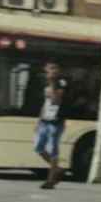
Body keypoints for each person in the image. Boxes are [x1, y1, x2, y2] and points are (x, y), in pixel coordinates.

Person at [34, 61, 69, 189]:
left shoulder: (61, 83)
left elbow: (55, 101)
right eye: (48, 70)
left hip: (56, 122)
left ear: (58, 71)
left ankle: (50, 180)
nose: (49, 72)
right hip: (45, 121)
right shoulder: (47, 85)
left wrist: (52, 83)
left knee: (53, 150)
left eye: (53, 69)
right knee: (38, 148)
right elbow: (46, 103)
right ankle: (58, 169)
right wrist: (39, 120)